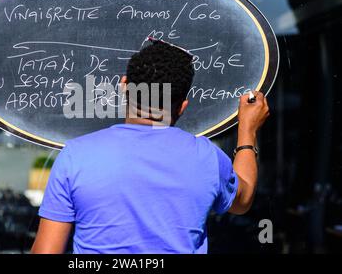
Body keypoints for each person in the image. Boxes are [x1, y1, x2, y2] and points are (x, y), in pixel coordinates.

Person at [31, 40, 270, 254]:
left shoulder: (76, 156)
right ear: (182, 107)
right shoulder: (206, 157)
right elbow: (243, 199)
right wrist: (247, 129)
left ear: (124, 86)